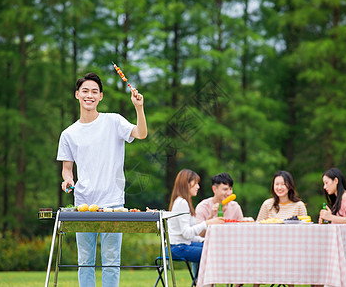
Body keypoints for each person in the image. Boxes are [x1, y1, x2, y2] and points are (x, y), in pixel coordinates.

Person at [57, 72, 147, 287]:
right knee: (85, 262)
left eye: (94, 92)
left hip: (113, 203)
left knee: (111, 262)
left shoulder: (113, 121)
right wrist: (67, 180)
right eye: (85, 91)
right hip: (84, 205)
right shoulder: (68, 134)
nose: (90, 95)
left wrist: (139, 108)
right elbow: (67, 169)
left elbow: (141, 133)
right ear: (77, 94)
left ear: (101, 97)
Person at [168, 169, 225, 279]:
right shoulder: (181, 203)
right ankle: (202, 283)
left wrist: (204, 239)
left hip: (182, 245)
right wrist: (208, 223)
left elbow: (191, 235)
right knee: (213, 252)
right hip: (177, 248)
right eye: (196, 183)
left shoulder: (184, 202)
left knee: (213, 246)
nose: (198, 187)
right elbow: (187, 234)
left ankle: (202, 282)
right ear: (186, 184)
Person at [254, 171, 307, 287]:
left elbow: (305, 231)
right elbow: (257, 227)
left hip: (292, 249)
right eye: (276, 184)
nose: (279, 187)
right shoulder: (267, 204)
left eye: (283, 184)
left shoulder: (299, 205)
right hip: (268, 248)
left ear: (290, 186)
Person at [319, 167, 346, 257]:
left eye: (326, 183)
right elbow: (340, 222)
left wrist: (331, 217)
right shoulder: (338, 200)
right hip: (341, 241)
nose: (324, 187)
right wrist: (326, 221)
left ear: (335, 181)